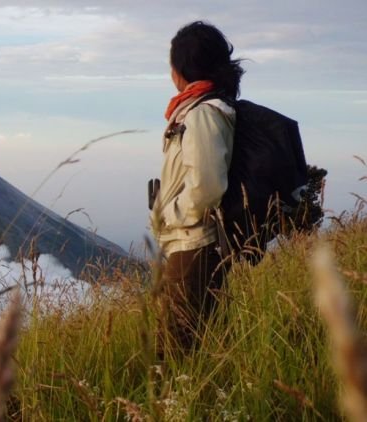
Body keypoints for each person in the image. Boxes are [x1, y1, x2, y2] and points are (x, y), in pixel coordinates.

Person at [151, 21, 244, 356]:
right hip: (191, 245)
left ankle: (177, 408)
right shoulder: (199, 109)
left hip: (194, 245)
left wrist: (169, 213)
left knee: (175, 355)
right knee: (192, 350)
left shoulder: (203, 114)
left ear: (181, 69)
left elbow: (207, 187)